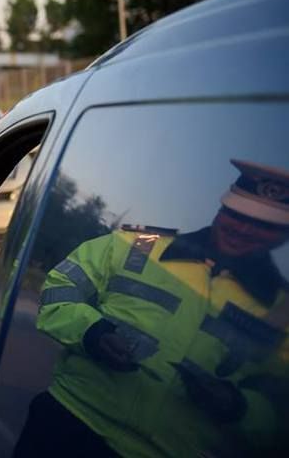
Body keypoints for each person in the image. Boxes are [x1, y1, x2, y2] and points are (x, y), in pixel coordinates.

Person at [16, 159, 289, 457]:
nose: (244, 229)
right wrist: (91, 332)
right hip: (67, 423)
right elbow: (58, 288)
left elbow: (279, 404)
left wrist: (239, 407)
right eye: (236, 214)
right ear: (220, 209)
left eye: (264, 225)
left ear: (283, 235)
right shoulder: (140, 243)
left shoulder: (282, 309)